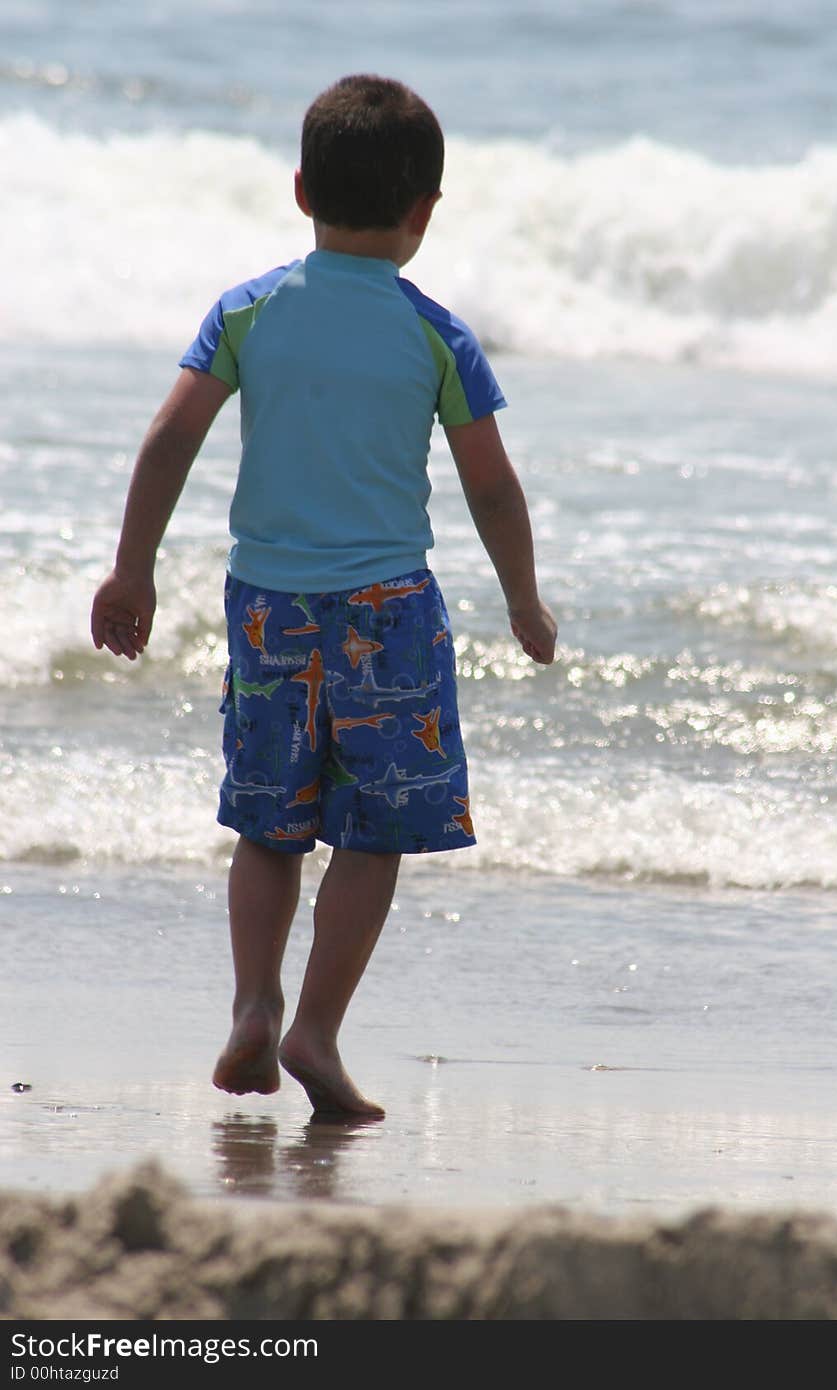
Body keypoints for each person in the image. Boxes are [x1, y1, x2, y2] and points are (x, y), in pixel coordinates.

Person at [90, 74, 557, 1120]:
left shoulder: (247, 312)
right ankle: (314, 1030)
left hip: (269, 607)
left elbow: (170, 437)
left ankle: (252, 1004)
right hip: (390, 611)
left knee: (268, 827)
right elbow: (491, 483)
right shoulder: (437, 334)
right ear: (423, 213)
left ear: (300, 189)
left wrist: (133, 567)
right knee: (375, 832)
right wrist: (523, 599)